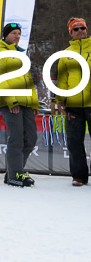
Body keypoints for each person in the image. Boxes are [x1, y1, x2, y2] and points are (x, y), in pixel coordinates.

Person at [0, 22, 39, 187]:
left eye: (19, 34)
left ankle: (13, 172)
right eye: (14, 33)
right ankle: (16, 175)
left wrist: (34, 103)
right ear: (6, 35)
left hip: (26, 102)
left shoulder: (20, 54)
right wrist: (11, 101)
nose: (17, 36)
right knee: (16, 138)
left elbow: (28, 81)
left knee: (31, 138)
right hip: (10, 102)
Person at [56, 18, 91, 186]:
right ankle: (79, 176)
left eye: (82, 28)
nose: (80, 31)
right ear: (70, 33)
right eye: (76, 29)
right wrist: (60, 101)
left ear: (87, 29)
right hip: (73, 105)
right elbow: (62, 80)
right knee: (74, 142)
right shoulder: (65, 54)